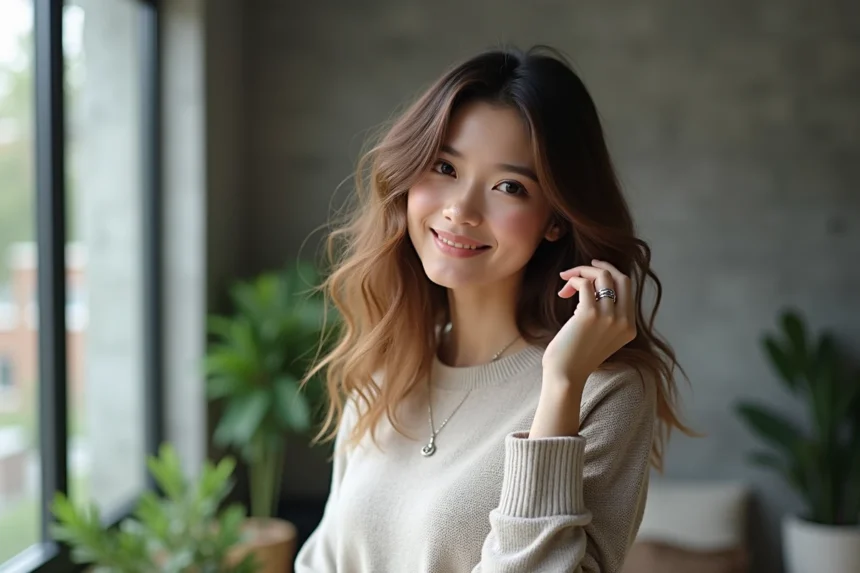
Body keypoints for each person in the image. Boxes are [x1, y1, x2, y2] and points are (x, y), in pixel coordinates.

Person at [294, 45, 690, 573]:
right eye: (444, 166)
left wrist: (561, 385)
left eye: (509, 186)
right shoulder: (389, 363)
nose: (461, 209)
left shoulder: (604, 387)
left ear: (555, 218)